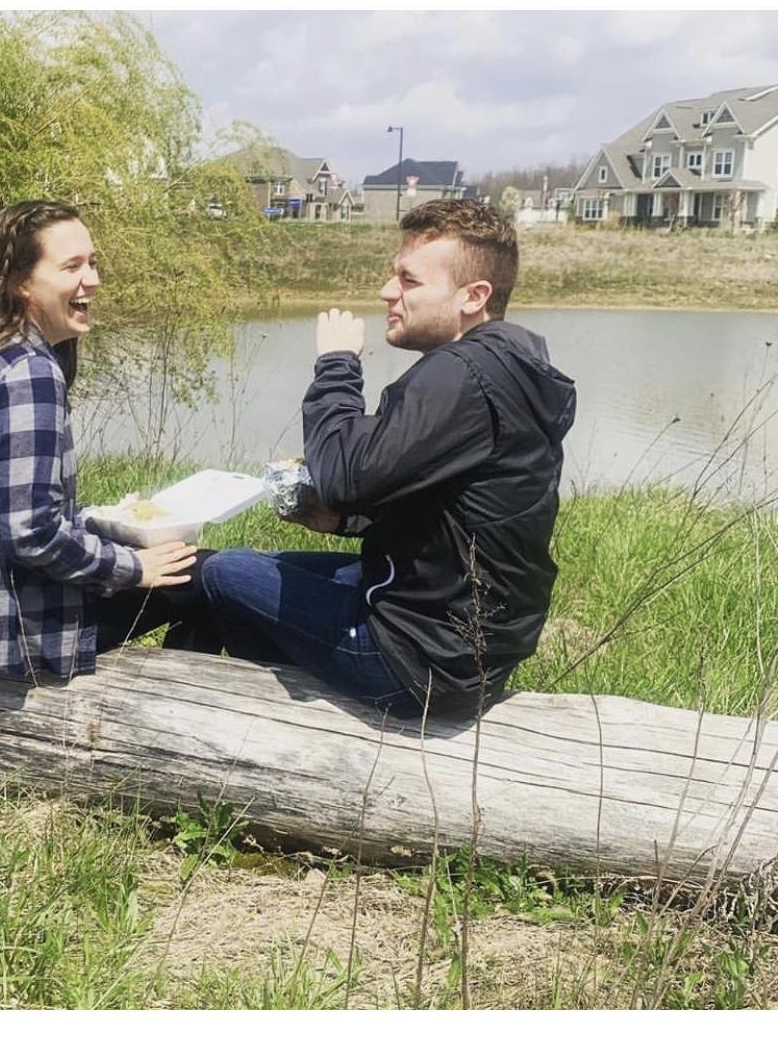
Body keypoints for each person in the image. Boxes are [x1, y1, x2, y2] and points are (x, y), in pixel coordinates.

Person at [201, 199, 576, 715]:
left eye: (409, 280)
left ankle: (251, 717)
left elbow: (341, 476)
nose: (387, 291)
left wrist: (337, 364)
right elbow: (441, 499)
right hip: (472, 645)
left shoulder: (460, 377)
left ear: (474, 296)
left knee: (223, 572)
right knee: (265, 568)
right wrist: (344, 519)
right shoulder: (513, 363)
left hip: (418, 663)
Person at [0, 200, 219, 684]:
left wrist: (105, 527)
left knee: (185, 567)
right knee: (206, 578)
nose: (92, 279)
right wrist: (132, 566)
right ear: (20, 282)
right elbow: (31, 534)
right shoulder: (27, 373)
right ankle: (177, 718)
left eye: (93, 263)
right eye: (71, 266)